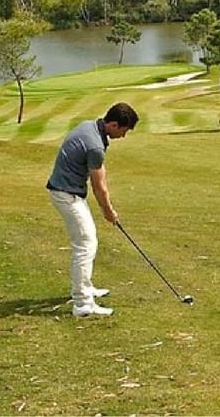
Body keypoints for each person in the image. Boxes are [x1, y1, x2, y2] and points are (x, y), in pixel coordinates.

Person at [47, 102, 138, 317]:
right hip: (65, 195)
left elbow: (99, 170)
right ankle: (82, 304)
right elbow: (99, 187)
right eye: (123, 131)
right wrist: (109, 212)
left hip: (68, 191)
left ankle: (85, 289)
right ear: (114, 124)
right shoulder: (95, 144)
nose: (123, 136)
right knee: (85, 245)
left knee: (87, 241)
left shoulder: (91, 127)